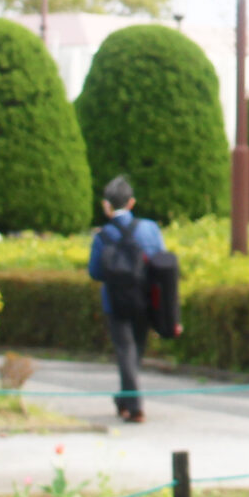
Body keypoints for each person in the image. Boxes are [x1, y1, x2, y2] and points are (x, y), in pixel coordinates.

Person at [86, 178, 163, 423]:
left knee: (125, 351)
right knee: (135, 351)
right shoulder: (150, 229)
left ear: (106, 205)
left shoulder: (102, 235)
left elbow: (95, 272)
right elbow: (160, 262)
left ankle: (133, 404)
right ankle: (125, 400)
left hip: (115, 301)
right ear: (131, 203)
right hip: (144, 299)